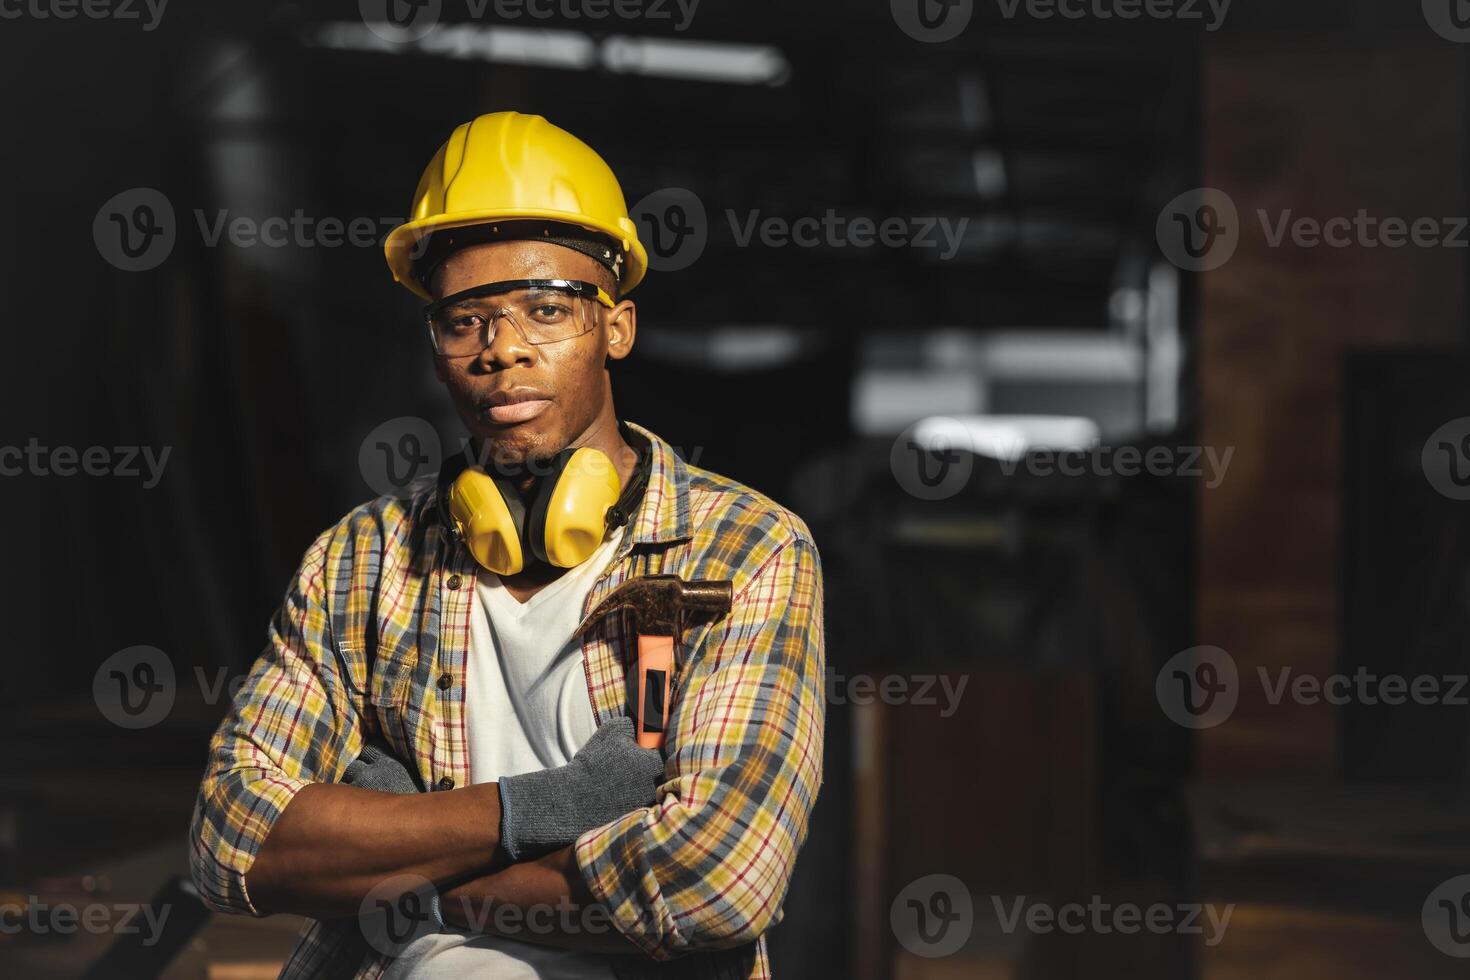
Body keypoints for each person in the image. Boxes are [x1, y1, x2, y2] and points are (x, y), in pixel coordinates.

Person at [187, 111, 827, 980]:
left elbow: (716, 882)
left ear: (618, 327)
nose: (502, 350)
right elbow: (231, 839)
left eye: (546, 310)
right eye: (465, 321)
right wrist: (547, 807)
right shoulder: (361, 561)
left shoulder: (743, 550)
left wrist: (405, 878)